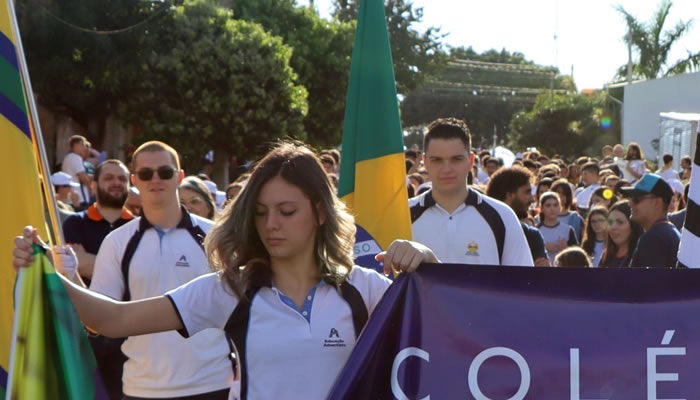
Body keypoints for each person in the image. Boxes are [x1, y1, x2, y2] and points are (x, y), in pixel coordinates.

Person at [13, 141, 434, 400]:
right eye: (263, 212)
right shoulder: (231, 290)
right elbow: (111, 319)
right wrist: (46, 270)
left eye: (287, 212)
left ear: (321, 213)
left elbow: (450, 329)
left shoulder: (366, 288)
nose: (271, 224)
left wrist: (425, 261)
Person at [66, 141, 233, 399]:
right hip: (142, 387)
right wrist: (66, 277)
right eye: (146, 174)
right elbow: (98, 321)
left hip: (212, 384)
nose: (155, 179)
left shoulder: (215, 236)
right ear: (135, 180)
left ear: (179, 177)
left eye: (164, 172)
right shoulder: (117, 242)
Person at [409, 117, 533, 266]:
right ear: (425, 161)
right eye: (437, 160)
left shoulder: (503, 217)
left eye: (456, 159)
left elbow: (522, 284)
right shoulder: (403, 215)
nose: (446, 169)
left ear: (470, 160)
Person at [61, 159, 134, 399]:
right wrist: (123, 268)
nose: (116, 183)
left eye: (122, 179)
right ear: (93, 185)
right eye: (109, 178)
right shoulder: (75, 223)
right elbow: (72, 266)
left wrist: (88, 260)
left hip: (129, 329)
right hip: (84, 328)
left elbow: (136, 275)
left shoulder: (139, 227)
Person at [486, 166, 550, 266]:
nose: (532, 199)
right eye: (527, 192)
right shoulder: (478, 231)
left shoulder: (531, 236)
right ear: (509, 196)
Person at [620, 174, 681, 268]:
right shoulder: (666, 231)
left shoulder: (654, 237)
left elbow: (650, 282)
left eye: (636, 199)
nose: (630, 203)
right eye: (630, 199)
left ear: (657, 203)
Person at [599, 200, 644, 268]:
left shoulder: (642, 256)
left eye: (620, 222)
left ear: (633, 225)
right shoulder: (606, 256)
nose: (613, 227)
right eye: (610, 222)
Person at [537, 192, 578, 264]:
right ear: (541, 208)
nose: (552, 209)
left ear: (560, 207)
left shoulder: (568, 230)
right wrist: (542, 248)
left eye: (555, 205)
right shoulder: (536, 231)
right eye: (548, 205)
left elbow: (577, 257)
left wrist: (566, 249)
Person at [62, 134, 93, 209]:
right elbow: (82, 177)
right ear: (75, 145)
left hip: (71, 199)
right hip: (78, 200)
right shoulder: (76, 157)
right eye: (82, 144)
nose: (85, 148)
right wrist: (91, 187)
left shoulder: (68, 157)